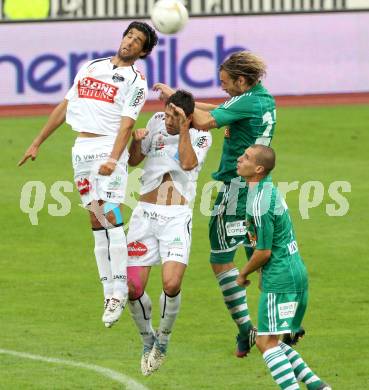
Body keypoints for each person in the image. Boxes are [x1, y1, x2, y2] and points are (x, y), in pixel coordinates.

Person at [18, 21, 158, 328]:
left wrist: (113, 157)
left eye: (138, 41)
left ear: (143, 52)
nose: (130, 42)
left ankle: (120, 289)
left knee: (111, 214)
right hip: (81, 148)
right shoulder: (91, 67)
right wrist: (37, 141)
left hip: (109, 148)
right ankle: (109, 291)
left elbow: (126, 124)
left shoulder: (136, 81)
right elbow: (65, 106)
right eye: (129, 36)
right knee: (95, 219)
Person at [154, 51, 277, 357]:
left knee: (221, 259)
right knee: (260, 261)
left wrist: (179, 105)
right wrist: (184, 101)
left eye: (226, 83)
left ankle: (248, 329)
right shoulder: (262, 98)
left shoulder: (248, 100)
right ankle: (274, 331)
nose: (223, 88)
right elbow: (220, 109)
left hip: (236, 191)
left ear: (241, 80)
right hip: (261, 189)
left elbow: (206, 121)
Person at [126, 90, 212, 376]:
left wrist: (184, 129)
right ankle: (146, 339)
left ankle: (162, 341)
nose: (168, 121)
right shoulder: (155, 122)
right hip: (144, 216)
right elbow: (133, 160)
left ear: (187, 117)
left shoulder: (200, 135)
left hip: (176, 218)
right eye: (166, 113)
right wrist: (135, 141)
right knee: (132, 288)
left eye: (174, 117)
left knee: (171, 284)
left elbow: (188, 163)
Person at [236, 144, 331, 390]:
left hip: (281, 277)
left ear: (258, 168)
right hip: (294, 272)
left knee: (265, 342)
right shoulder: (269, 190)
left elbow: (264, 251)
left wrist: (243, 272)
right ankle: (318, 387)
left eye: (245, 157)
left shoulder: (259, 201)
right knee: (274, 341)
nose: (239, 159)